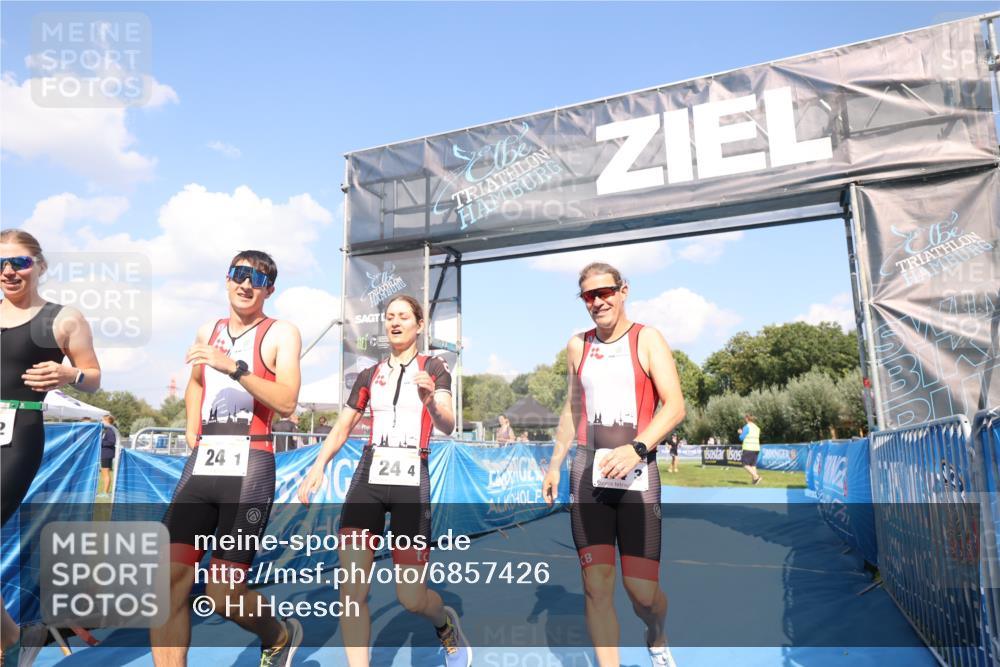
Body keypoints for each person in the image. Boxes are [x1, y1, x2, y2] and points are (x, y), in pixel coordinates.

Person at [298, 294, 471, 667]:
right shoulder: (369, 374)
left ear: (419, 325)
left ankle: (443, 623)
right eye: (389, 316)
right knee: (352, 590)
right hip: (369, 476)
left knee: (410, 596)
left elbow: (448, 424)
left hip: (412, 476)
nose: (395, 322)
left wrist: (429, 400)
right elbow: (343, 425)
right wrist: (318, 466)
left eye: (403, 316)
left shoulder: (435, 367)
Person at [151, 250, 303, 667]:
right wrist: (190, 424)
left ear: (269, 290)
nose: (246, 283)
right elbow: (196, 383)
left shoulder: (281, 333)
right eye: (239, 274)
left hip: (250, 466)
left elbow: (287, 402)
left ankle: (277, 633)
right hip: (203, 464)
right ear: (226, 278)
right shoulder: (208, 329)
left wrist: (234, 368)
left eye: (257, 278)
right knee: (165, 585)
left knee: (222, 594)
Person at [542, 262, 685, 667]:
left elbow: (675, 407)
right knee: (596, 586)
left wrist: (638, 448)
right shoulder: (577, 345)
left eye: (605, 292)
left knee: (642, 593)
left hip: (638, 474)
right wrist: (555, 464)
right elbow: (572, 410)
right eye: (589, 295)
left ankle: (656, 633)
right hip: (588, 474)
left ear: (624, 290)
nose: (598, 301)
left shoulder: (648, 338)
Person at [0, 229, 102, 657]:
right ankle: (11, 635)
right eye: (1, 264)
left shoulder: (64, 318)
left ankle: (9, 636)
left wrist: (68, 375)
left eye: (20, 262)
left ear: (40, 266)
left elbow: (94, 379)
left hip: (19, 435)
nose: (9, 271)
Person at [739, 414, 762, 485]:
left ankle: (756, 477)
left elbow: (741, 438)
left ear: (747, 419)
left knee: (744, 464)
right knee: (753, 465)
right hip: (756, 448)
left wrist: (740, 433)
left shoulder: (746, 427)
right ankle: (754, 481)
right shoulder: (757, 428)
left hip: (748, 447)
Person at [99, 414, 117, 497]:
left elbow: (112, 442)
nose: (101, 421)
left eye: (103, 420)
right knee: (104, 473)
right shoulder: (105, 430)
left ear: (107, 421)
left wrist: (101, 442)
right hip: (104, 454)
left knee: (106, 474)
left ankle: (105, 493)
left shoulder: (110, 430)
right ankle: (105, 491)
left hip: (107, 454)